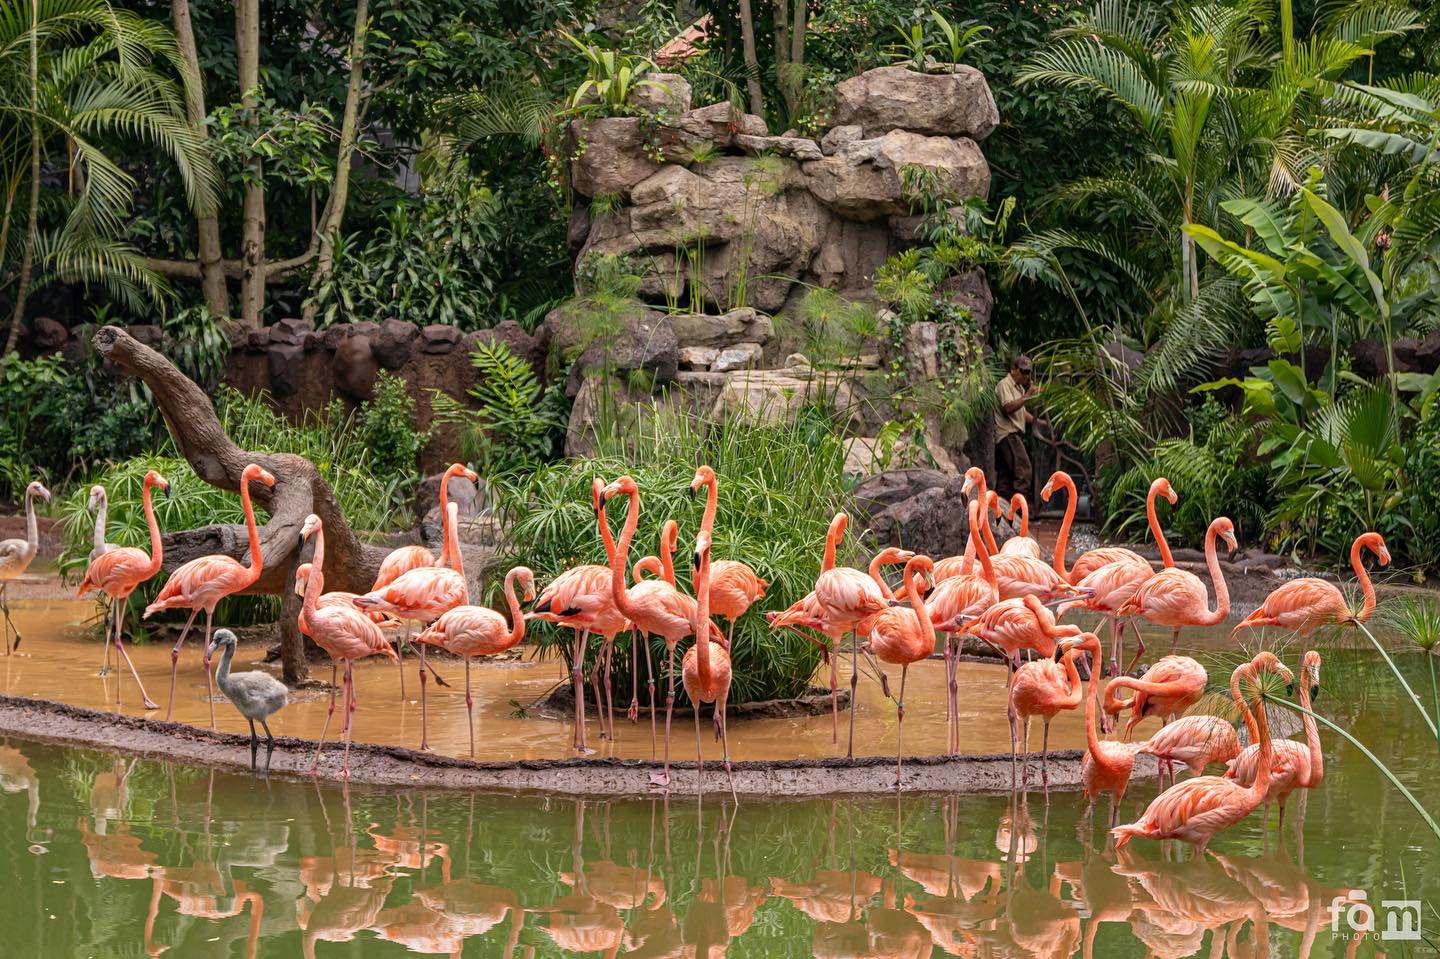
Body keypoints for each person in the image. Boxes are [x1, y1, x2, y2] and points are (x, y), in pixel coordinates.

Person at [995, 354, 1038, 499]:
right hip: (1007, 434)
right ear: (1014, 369)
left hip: (1012, 435)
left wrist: (1039, 423)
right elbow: (1008, 407)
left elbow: (1022, 413)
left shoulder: (1019, 388)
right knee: (1024, 472)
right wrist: (1028, 395)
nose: (1026, 375)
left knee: (1006, 477)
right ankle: (1019, 509)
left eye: (1028, 372)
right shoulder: (1004, 385)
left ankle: (1002, 509)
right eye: (1023, 371)